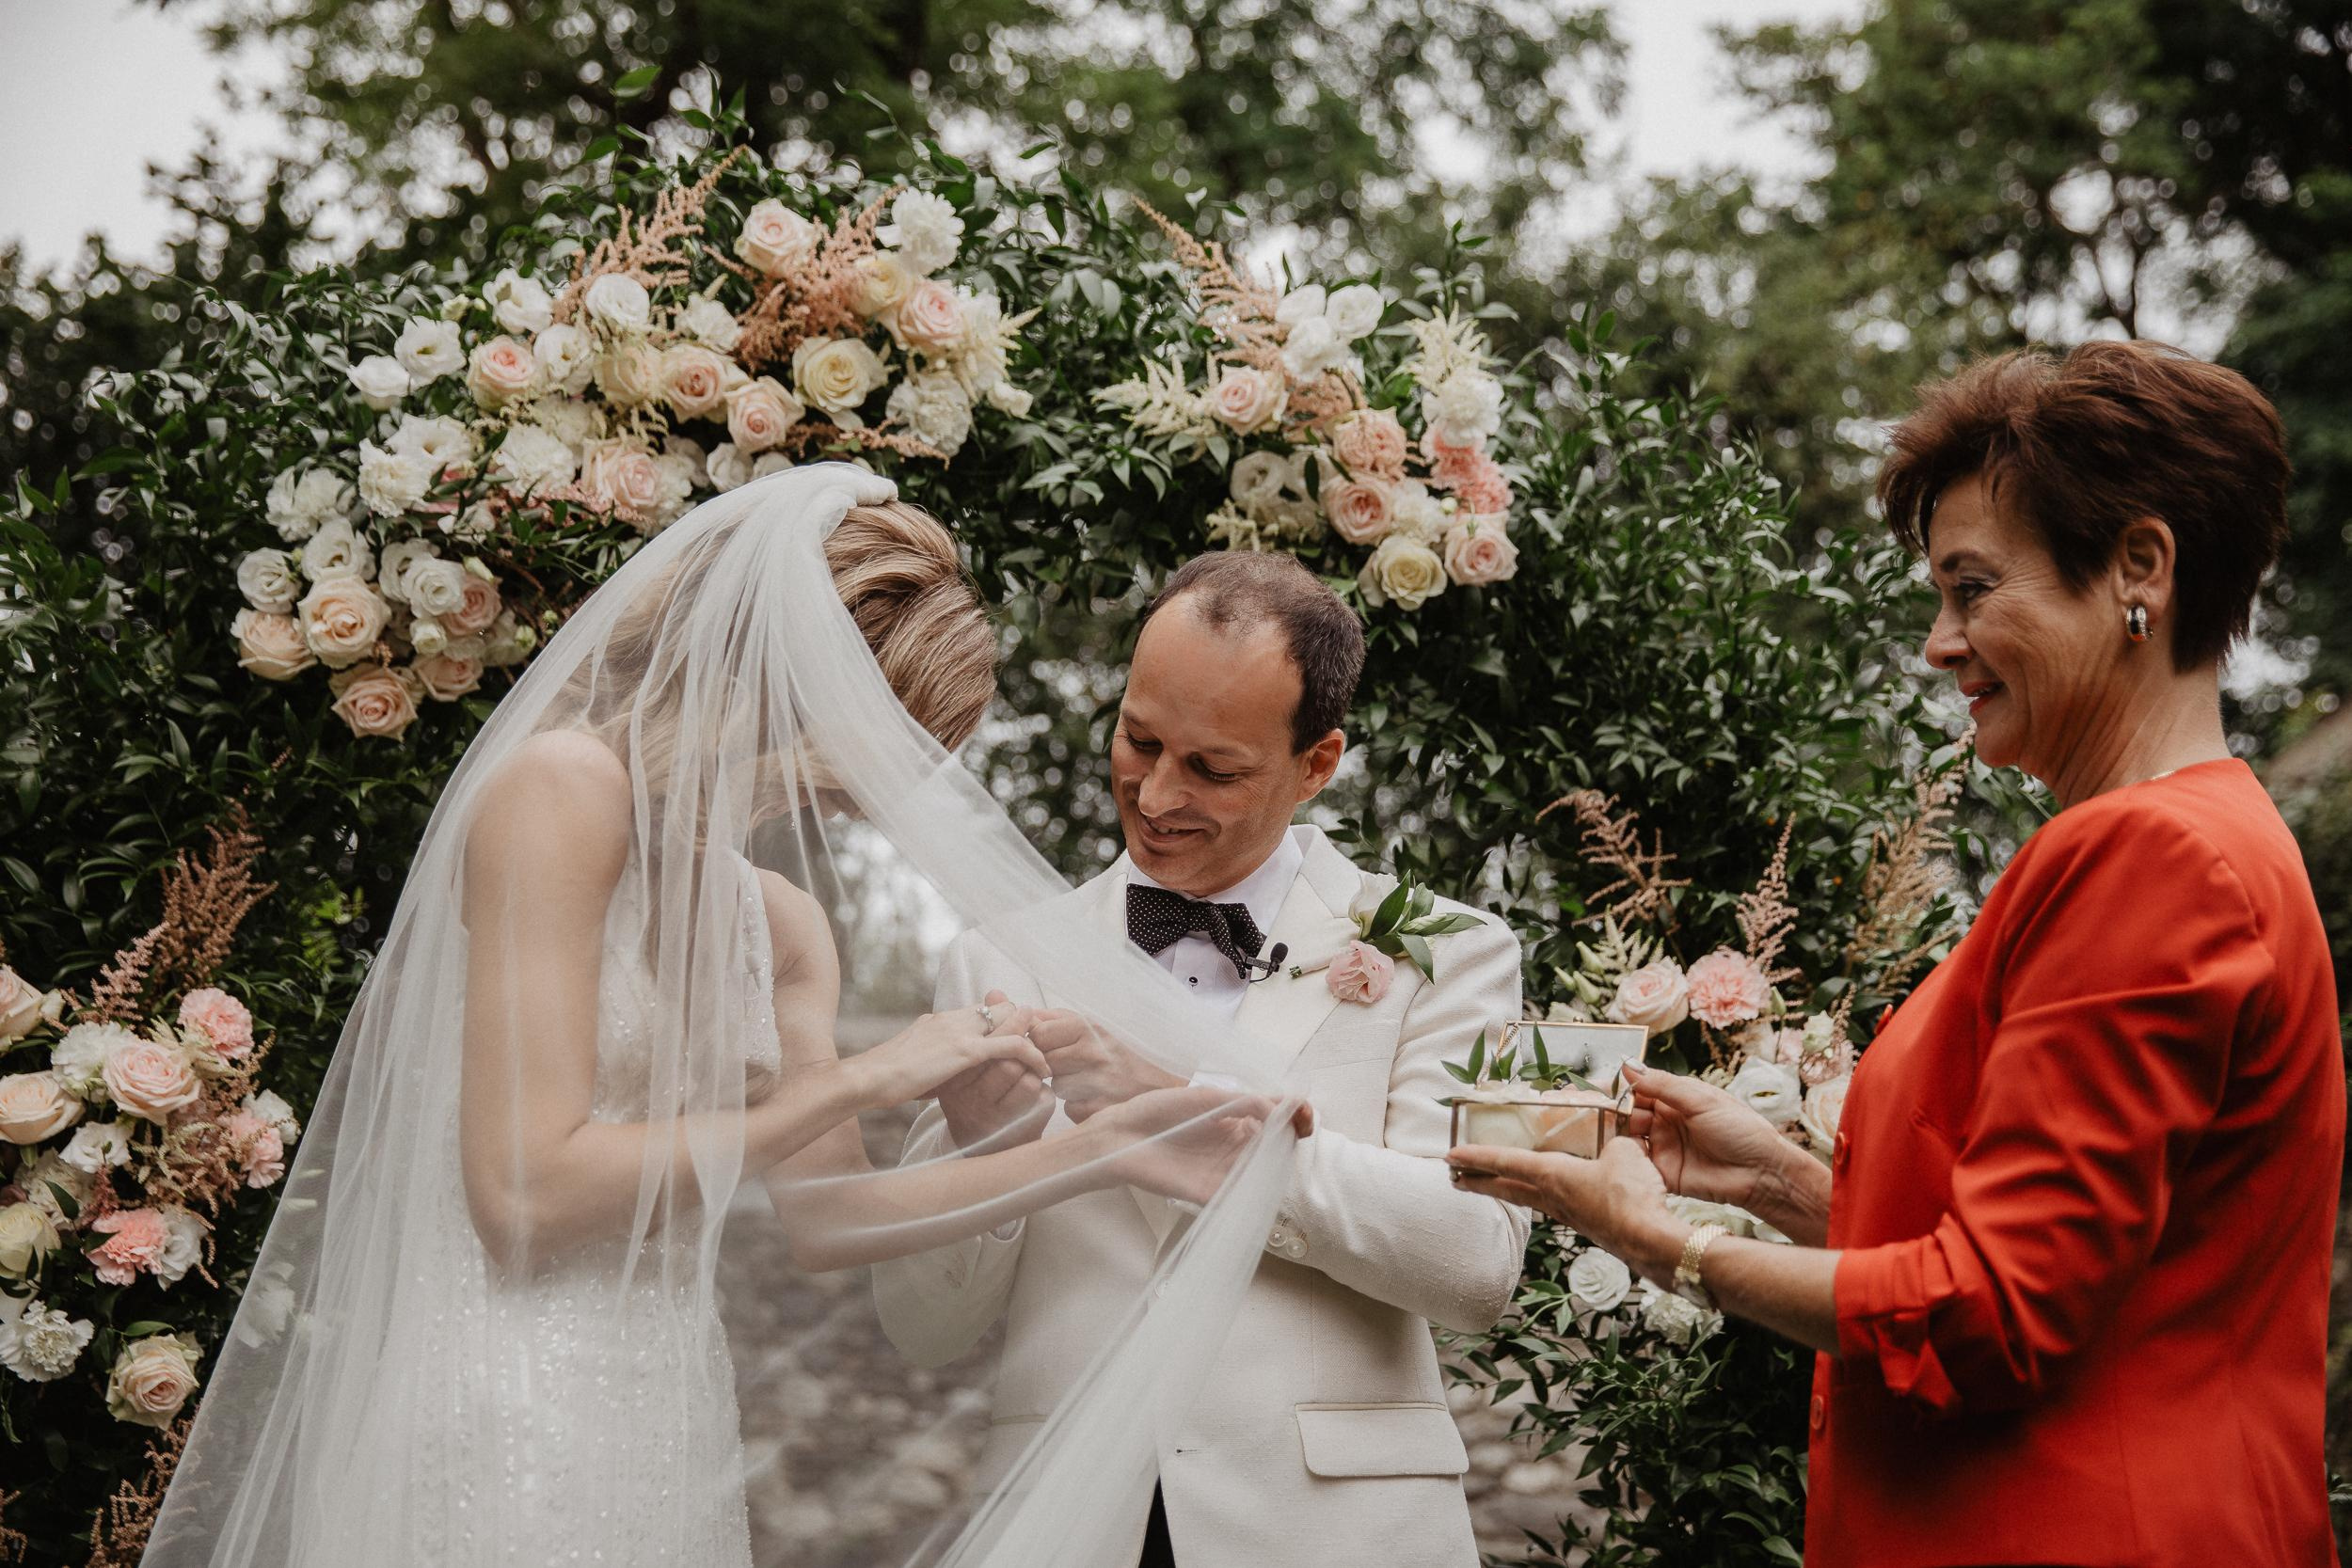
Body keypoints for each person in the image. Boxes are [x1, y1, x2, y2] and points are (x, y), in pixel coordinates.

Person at [148, 466, 1284, 1568]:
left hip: (665, 1410)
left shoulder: (778, 920)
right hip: (502, 1393)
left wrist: (1094, 1149)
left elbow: (829, 1220)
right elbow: (523, 1196)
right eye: (870, 743)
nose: (864, 793)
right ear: (788, 681)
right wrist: (858, 1079)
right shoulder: (560, 790)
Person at [1450, 341, 2342, 1567]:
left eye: (1972, 588)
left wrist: (1662, 1239)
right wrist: (1781, 1181)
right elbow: (2082, 1267)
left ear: (2141, 566)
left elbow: (1994, 1312)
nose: (1937, 641)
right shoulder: (2198, 834)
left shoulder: (2155, 854)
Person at [873, 551, 1530, 1568]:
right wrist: (982, 1153)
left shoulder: (1452, 952)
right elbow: (918, 1326)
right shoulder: (998, 958)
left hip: (1334, 1533)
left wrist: (1188, 1112)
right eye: (1138, 739)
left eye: (1214, 768)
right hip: (1063, 1523)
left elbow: (1478, 1259)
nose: (1156, 791)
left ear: (1318, 763)